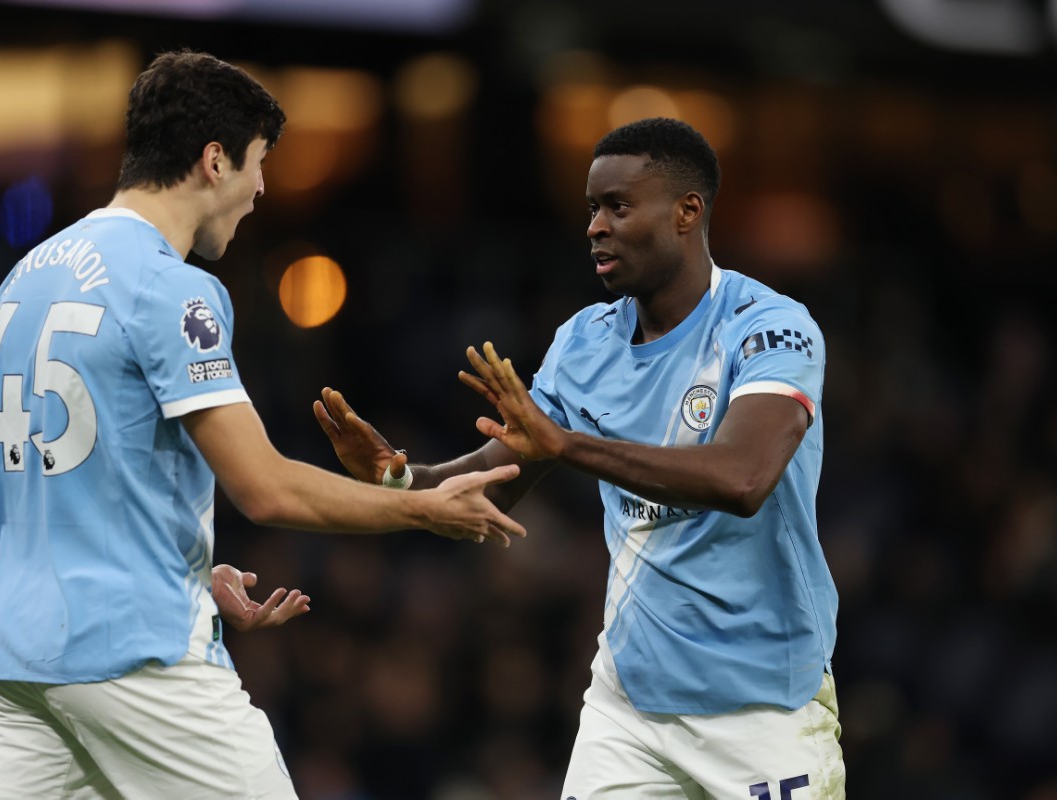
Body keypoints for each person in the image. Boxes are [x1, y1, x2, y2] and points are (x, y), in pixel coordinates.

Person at [0, 50, 525, 800]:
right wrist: (421, 507)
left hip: (15, 657)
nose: (263, 188)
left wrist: (187, 568)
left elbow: (69, 478)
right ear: (214, 161)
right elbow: (264, 488)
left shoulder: (26, 277)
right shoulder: (174, 288)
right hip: (134, 654)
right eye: (259, 162)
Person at [314, 117, 845, 798]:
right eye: (592, 208)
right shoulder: (583, 343)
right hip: (629, 708)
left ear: (687, 212)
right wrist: (397, 478)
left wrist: (569, 446)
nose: (595, 227)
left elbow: (744, 478)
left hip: (762, 704)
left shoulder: (768, 327)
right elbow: (494, 485)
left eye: (618, 206)